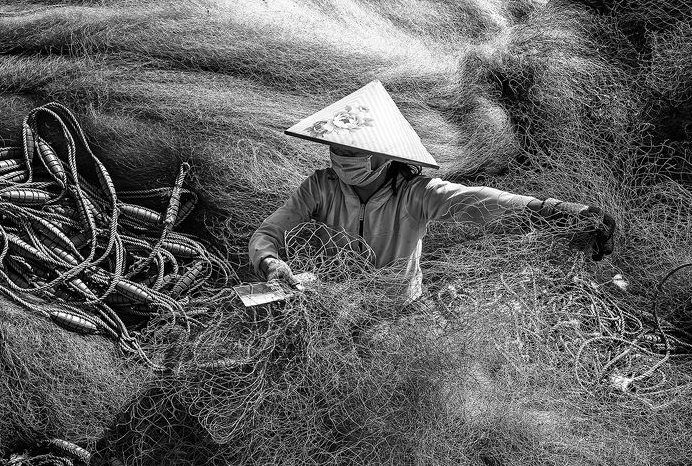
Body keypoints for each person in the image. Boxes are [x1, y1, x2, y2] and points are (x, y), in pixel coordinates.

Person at [249, 80, 615, 307]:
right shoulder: (320, 186)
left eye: (351, 153)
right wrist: (270, 263)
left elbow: (476, 201)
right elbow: (269, 232)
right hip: (334, 303)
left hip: (396, 312)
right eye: (336, 150)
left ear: (383, 156)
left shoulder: (416, 194)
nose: (340, 160)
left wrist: (547, 208)